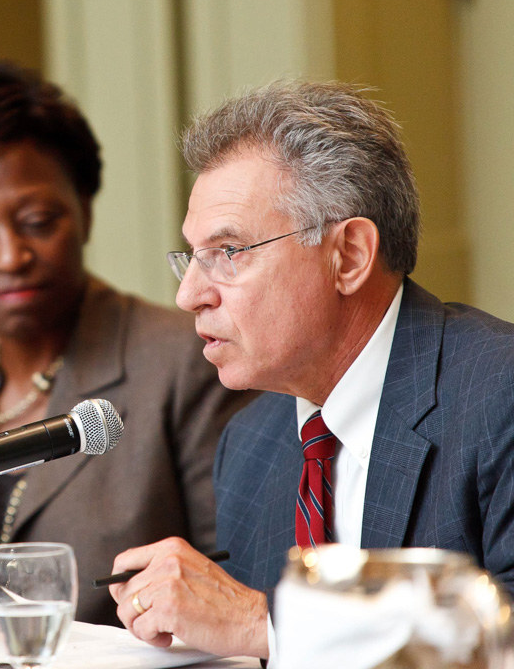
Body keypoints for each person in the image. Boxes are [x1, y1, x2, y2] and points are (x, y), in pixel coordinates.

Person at [107, 80, 514, 660]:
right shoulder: (251, 446)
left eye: (227, 254)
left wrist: (267, 624)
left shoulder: (499, 392)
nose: (190, 295)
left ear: (348, 256)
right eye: (190, 259)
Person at [0, 60, 255, 625]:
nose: (11, 257)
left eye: (37, 220)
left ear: (84, 212)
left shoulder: (186, 362)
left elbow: (234, 586)